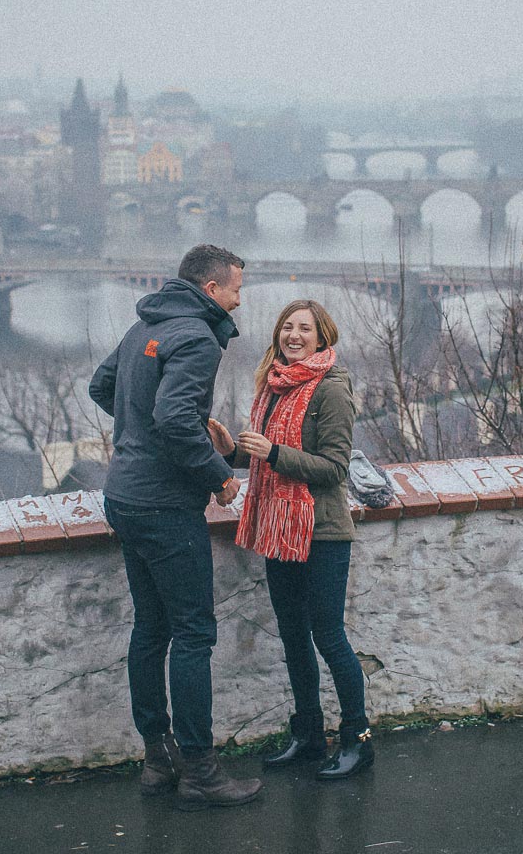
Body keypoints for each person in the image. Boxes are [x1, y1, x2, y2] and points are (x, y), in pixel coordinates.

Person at [88, 243, 262, 811]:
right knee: (193, 634)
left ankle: (157, 761)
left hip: (124, 496)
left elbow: (101, 387)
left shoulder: (145, 326)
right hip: (165, 505)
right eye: (236, 289)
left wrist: (137, 434)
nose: (240, 300)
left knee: (151, 630)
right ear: (211, 290)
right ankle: (201, 771)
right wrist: (218, 476)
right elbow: (172, 418)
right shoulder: (198, 338)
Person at [211, 299, 372, 779]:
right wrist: (234, 451)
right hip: (279, 525)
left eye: (304, 329)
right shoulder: (275, 384)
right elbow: (263, 457)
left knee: (328, 635)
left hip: (321, 531)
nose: (293, 335)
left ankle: (358, 739)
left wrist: (274, 451)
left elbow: (334, 468)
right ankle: (307, 734)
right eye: (287, 327)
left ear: (323, 337)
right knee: (293, 636)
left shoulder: (331, 389)